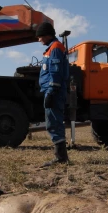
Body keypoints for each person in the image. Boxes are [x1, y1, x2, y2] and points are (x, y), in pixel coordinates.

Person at [37, 21, 70, 166]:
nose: (38, 39)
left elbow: (55, 73)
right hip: (53, 91)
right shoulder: (52, 48)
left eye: (40, 36)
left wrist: (51, 92)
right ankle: (61, 156)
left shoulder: (55, 48)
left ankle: (61, 157)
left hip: (54, 92)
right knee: (53, 122)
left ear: (47, 35)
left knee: (54, 122)